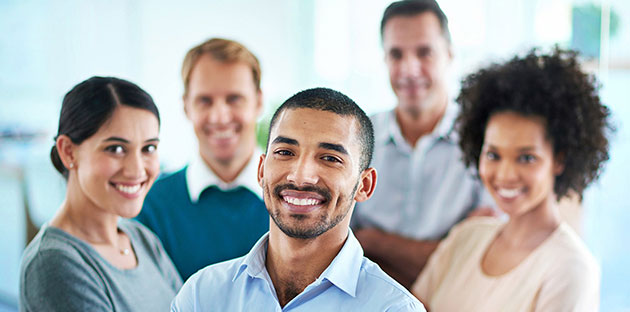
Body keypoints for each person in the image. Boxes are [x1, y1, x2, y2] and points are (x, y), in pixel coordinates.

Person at [171, 88, 425, 311]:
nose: (301, 176)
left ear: (364, 185)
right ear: (261, 171)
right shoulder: (201, 296)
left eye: (330, 158)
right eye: (285, 152)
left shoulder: (394, 308)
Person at [412, 48, 611, 311]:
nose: (505, 175)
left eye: (526, 158)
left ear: (560, 160)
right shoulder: (465, 238)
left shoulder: (571, 269)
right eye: (493, 154)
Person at [352, 0, 493, 288]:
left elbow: (473, 260)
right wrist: (441, 252)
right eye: (396, 54)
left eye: (424, 52)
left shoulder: (486, 141)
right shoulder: (356, 135)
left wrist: (372, 241)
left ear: (450, 55)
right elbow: (335, 251)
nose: (409, 69)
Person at [19, 77, 182, 312]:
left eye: (148, 148)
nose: (137, 169)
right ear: (68, 152)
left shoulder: (141, 239)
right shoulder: (53, 264)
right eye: (116, 149)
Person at [136, 38, 269, 281]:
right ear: (186, 106)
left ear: (259, 101)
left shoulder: (296, 198)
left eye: (234, 99)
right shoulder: (150, 206)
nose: (219, 117)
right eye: (205, 101)